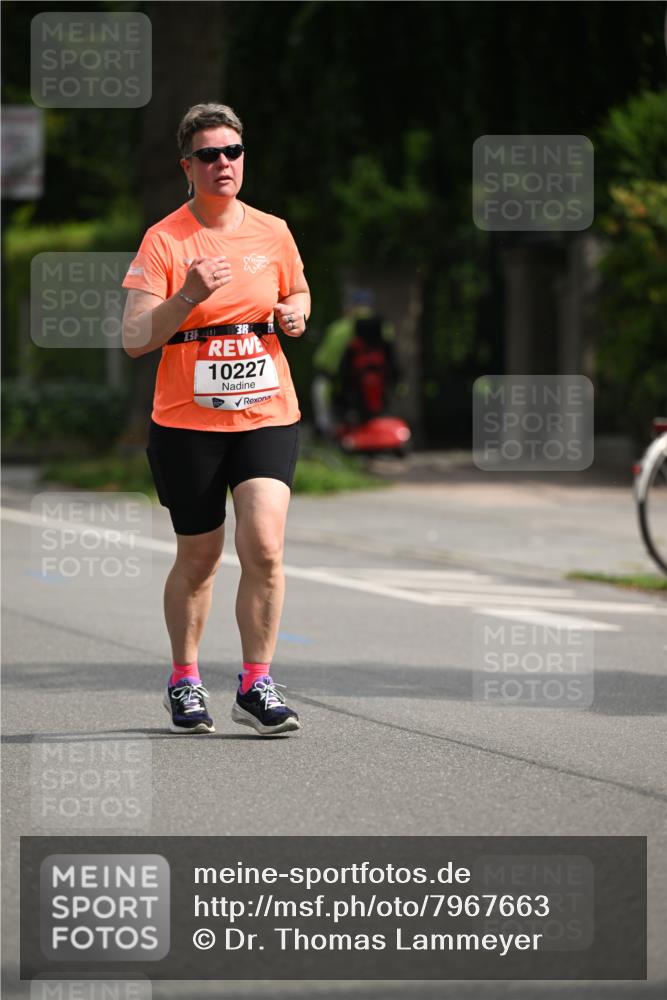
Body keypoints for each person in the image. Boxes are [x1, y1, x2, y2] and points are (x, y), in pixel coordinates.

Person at [121, 102, 310, 736]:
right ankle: (185, 680)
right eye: (209, 154)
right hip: (187, 423)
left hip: (267, 411)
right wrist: (188, 294)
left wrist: (296, 312)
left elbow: (298, 290)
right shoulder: (165, 239)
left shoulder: (273, 231)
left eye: (232, 152)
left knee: (265, 546)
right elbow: (134, 338)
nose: (223, 163)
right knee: (199, 559)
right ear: (188, 166)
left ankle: (257, 684)